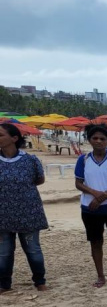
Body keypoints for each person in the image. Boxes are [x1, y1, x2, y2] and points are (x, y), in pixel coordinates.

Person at [74, 124, 107, 288]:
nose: (98, 141)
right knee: (95, 242)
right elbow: (78, 183)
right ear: (89, 139)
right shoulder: (83, 160)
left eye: (102, 139)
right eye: (95, 138)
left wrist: (102, 197)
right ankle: (100, 275)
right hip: (90, 208)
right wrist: (94, 193)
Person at [0, 123, 49, 293]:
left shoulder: (30, 160)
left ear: (14, 138)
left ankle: (40, 281)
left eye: (1, 135)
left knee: (33, 248)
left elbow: (39, 179)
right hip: (2, 215)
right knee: (4, 252)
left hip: (29, 213)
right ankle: (4, 284)